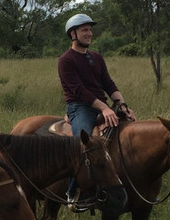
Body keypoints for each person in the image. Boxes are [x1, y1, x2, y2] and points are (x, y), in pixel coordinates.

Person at [57, 13, 135, 207]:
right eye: (85, 30)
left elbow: (109, 84)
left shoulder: (96, 58)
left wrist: (122, 106)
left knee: (130, 132)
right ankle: (74, 192)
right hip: (80, 108)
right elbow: (79, 91)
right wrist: (105, 108)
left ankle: (125, 184)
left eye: (90, 29)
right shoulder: (66, 60)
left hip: (101, 106)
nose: (89, 33)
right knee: (82, 145)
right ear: (73, 34)